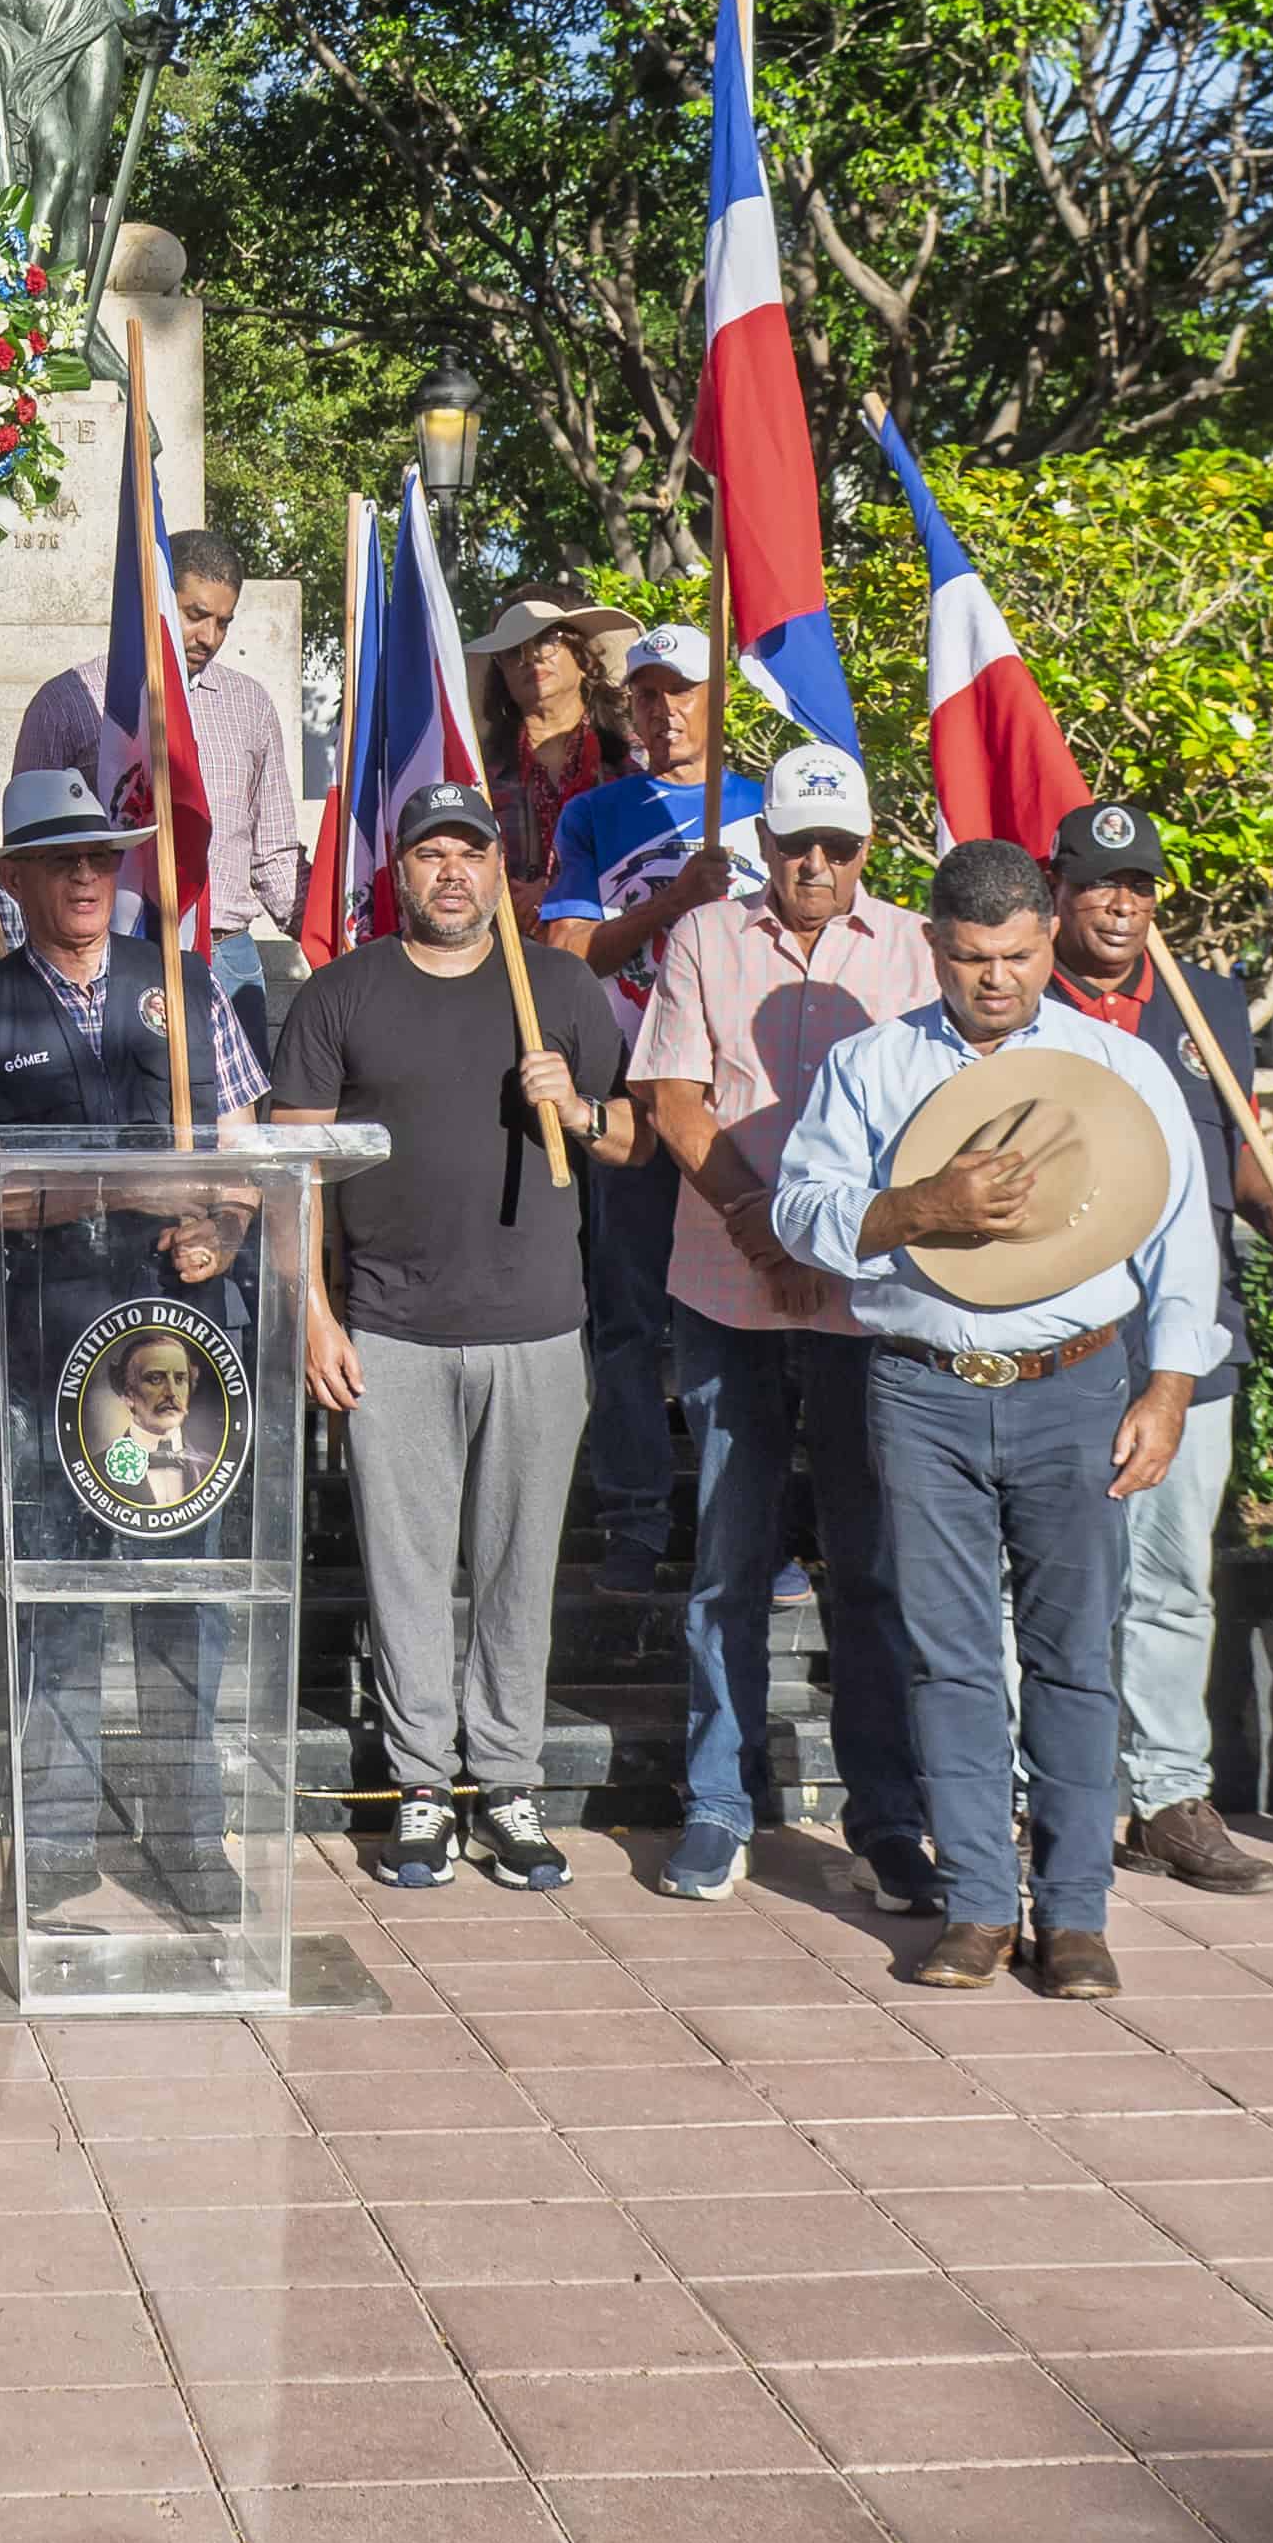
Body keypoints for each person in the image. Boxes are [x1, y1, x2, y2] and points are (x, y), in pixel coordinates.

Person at [770, 838, 1224, 1999]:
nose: (998, 981)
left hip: (1078, 1385)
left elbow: (1184, 1246)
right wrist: (923, 1206)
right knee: (951, 1659)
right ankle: (977, 1905)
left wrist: (1167, 1388)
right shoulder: (870, 1064)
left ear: (1048, 937)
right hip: (922, 1385)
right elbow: (802, 1212)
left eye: (1020, 956)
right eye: (973, 958)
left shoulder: (1117, 1065)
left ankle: (1075, 1913)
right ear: (933, 946)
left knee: (1076, 1657)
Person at [0, 769, 276, 1928]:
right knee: (53, 1604)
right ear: (15, 879)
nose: (85, 876)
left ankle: (187, 1833)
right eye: (61, 859)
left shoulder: (188, 989)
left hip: (182, 1355)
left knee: (185, 1601)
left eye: (102, 857)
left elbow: (248, 1158)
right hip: (43, 1354)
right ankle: (55, 1839)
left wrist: (221, 1223)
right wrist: (122, 1185)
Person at [269, 779, 627, 1892]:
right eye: (431, 855)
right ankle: (424, 1786)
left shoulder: (559, 989)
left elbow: (630, 1144)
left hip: (535, 1329)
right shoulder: (340, 995)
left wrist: (574, 1111)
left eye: (472, 853)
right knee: (409, 1570)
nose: (453, 874)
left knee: (520, 1568)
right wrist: (314, 1313)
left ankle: (508, 1783)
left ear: (500, 873)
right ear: (401, 871)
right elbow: (293, 1174)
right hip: (394, 1329)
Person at [624, 741, 938, 1903]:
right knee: (728, 1559)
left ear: (868, 848)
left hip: (867, 1298)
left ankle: (888, 1818)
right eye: (797, 842)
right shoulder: (709, 935)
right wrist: (764, 1230)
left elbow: (932, 1115)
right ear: (764, 842)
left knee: (870, 1566)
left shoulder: (913, 950)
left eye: (837, 846)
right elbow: (670, 1095)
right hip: (728, 1281)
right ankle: (717, 1802)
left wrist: (831, 1240)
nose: (815, 863)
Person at [1039, 798, 1273, 1899]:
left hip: (1189, 1344)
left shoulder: (1207, 1003)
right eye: (1099, 883)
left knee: (1175, 1581)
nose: (1122, 903)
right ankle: (1026, 1792)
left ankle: (1169, 1795)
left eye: (1139, 885)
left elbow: (1229, 1154)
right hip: (1057, 1337)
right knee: (1037, 1583)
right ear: (1059, 894)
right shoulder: (1016, 1004)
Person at [533, 622, 747, 1592]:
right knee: (624, 1320)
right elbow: (570, 958)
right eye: (647, 694)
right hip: (628, 1095)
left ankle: (753, 1524)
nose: (663, 709)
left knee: (744, 1317)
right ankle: (634, 1521)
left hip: (742, 1101)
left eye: (682, 691)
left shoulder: (763, 807)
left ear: (720, 698)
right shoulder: (595, 812)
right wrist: (673, 907)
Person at [11, 525, 305, 980]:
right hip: (108, 958)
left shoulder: (250, 705)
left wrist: (336, 930)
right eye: (195, 614)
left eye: (223, 622)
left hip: (226, 959)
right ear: (160, 602)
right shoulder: (68, 701)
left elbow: (274, 855)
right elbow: (28, 847)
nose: (208, 637)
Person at [466, 600, 623, 904]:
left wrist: (558, 892)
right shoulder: (480, 776)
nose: (531, 657)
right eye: (514, 652)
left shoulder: (631, 757)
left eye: (548, 640)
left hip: (618, 932)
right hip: (513, 942)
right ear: (503, 677)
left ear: (584, 660)